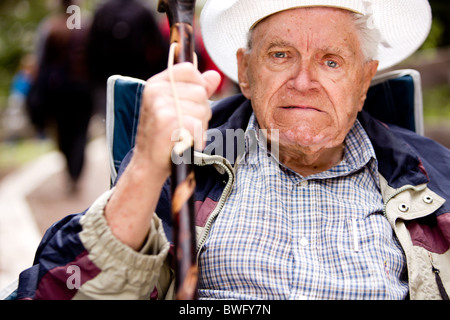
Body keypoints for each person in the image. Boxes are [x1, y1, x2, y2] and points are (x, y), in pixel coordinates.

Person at [14, 0, 450, 300]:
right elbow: (52, 291)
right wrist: (146, 167)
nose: (303, 81)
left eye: (331, 61)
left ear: (363, 81)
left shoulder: (434, 178)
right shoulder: (182, 167)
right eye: (280, 55)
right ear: (245, 72)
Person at [26, 0, 93, 192]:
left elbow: (41, 60)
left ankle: (71, 169)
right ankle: (75, 171)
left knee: (64, 133)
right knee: (80, 132)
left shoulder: (50, 27)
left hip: (59, 90)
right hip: (82, 88)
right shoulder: (87, 26)